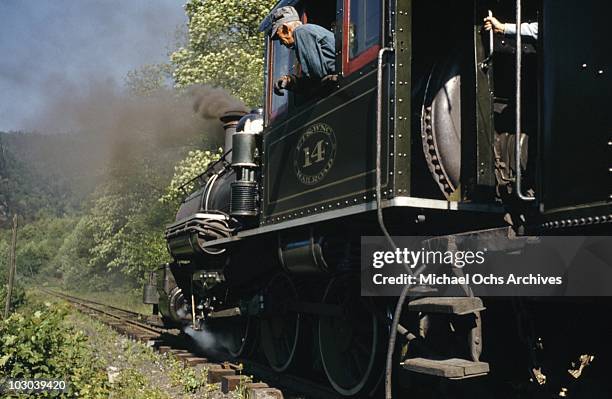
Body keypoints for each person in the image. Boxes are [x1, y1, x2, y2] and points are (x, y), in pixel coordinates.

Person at [268, 6, 336, 95]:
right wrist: (290, 81)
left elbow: (317, 75)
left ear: (285, 29)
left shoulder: (301, 31)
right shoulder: (308, 31)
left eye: (279, 37)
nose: (281, 43)